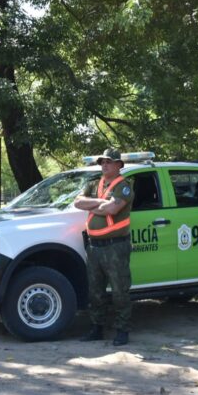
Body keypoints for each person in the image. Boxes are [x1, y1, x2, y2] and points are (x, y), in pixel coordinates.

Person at [73, 148, 134, 346]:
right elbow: (78, 202)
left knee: (119, 291)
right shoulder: (93, 184)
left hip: (115, 247)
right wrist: (101, 202)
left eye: (109, 162)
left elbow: (113, 208)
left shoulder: (124, 186)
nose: (104, 165)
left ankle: (122, 330)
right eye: (102, 162)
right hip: (94, 247)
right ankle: (97, 328)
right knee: (95, 291)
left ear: (118, 165)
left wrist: (94, 205)